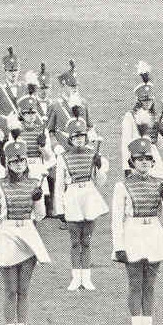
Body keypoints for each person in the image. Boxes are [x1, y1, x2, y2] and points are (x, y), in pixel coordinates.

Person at [0, 141, 52, 325]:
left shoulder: (34, 183)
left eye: (22, 160)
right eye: (14, 161)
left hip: (28, 236)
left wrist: (39, 200)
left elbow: (40, 216)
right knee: (10, 290)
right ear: (8, 163)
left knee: (24, 290)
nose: (19, 164)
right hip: (6, 236)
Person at [111, 137, 163, 325]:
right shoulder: (122, 186)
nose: (144, 162)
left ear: (153, 162)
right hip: (132, 234)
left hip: (154, 233)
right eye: (140, 159)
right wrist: (118, 246)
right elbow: (116, 219)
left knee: (150, 284)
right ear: (132, 162)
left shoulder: (159, 184)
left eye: (148, 159)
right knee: (135, 283)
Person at [53, 118, 109, 291]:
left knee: (87, 240)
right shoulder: (63, 158)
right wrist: (59, 208)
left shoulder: (93, 153)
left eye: (82, 136)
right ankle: (76, 278)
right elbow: (59, 186)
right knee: (75, 241)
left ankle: (87, 278)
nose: (79, 140)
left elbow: (100, 183)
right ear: (70, 138)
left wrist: (99, 167)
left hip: (89, 198)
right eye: (76, 137)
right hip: (72, 199)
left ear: (86, 137)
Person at [121, 61, 163, 178]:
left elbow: (159, 145)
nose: (147, 103)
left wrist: (162, 132)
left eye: (150, 100)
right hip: (137, 157)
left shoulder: (155, 117)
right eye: (144, 101)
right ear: (139, 100)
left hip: (153, 157)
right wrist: (127, 167)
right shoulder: (130, 116)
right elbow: (126, 143)